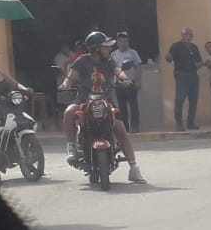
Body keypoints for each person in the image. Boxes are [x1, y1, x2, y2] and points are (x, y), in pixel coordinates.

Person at [60, 31, 147, 184]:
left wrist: (125, 79)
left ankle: (134, 169)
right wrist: (65, 84)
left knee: (121, 131)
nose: (109, 49)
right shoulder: (82, 61)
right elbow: (71, 77)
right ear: (96, 49)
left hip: (106, 102)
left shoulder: (110, 61)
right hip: (84, 101)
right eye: (106, 47)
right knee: (68, 113)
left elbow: (118, 71)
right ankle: (72, 147)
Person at [166, 27, 203, 131]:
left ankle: (191, 122)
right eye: (187, 35)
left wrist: (199, 65)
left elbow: (200, 61)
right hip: (181, 76)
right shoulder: (176, 46)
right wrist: (168, 57)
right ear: (182, 35)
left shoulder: (194, 47)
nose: (189, 37)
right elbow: (169, 58)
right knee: (180, 100)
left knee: (193, 100)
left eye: (190, 35)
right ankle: (179, 123)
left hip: (193, 76)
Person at [110, 32, 143, 133]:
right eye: (121, 41)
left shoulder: (133, 53)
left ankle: (135, 126)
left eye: (125, 41)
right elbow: (111, 69)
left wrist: (138, 81)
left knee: (133, 105)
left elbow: (138, 67)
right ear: (118, 43)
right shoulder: (114, 54)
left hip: (130, 82)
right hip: (119, 84)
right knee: (121, 106)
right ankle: (125, 127)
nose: (124, 43)